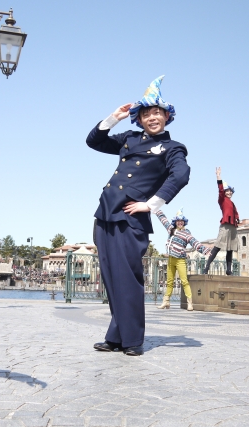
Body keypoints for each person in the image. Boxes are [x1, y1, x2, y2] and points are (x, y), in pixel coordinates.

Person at [87, 76, 190, 356]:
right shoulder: (129, 139)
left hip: (130, 218)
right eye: (146, 113)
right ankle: (117, 335)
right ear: (140, 119)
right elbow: (93, 142)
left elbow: (181, 175)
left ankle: (132, 340)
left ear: (167, 116)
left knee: (128, 278)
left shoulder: (172, 148)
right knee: (111, 278)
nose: (152, 117)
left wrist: (152, 205)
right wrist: (114, 117)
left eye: (157, 112)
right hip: (106, 213)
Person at [155, 208, 210, 311]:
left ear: (184, 222)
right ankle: (166, 302)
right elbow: (163, 220)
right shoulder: (171, 229)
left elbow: (194, 242)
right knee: (170, 281)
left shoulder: (186, 233)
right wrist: (156, 209)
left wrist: (205, 251)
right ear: (175, 222)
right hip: (171, 258)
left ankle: (190, 303)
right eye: (178, 221)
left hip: (180, 259)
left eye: (181, 221)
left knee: (184, 281)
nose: (180, 223)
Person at [202, 167, 239, 275]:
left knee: (230, 248)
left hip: (233, 226)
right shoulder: (222, 199)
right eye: (227, 191)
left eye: (230, 191)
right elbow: (220, 190)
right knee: (218, 246)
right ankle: (207, 267)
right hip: (225, 226)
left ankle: (228, 270)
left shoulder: (232, 203)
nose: (229, 192)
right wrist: (218, 176)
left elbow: (235, 215)